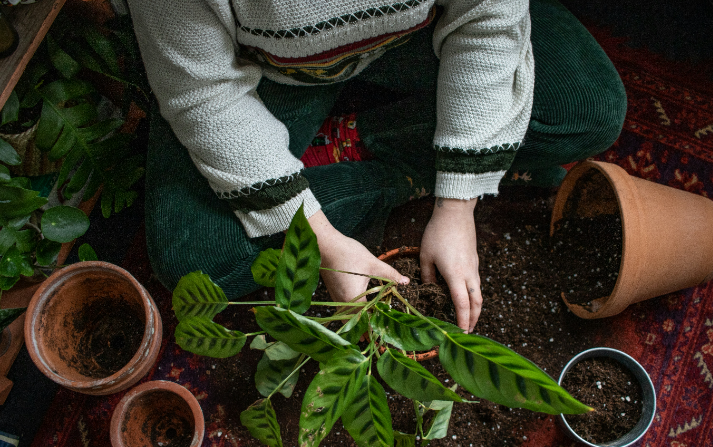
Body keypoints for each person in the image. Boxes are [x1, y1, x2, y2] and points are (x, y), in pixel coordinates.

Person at [126, 0, 626, 333]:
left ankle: (355, 142)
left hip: (413, 38)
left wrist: (457, 204)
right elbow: (201, 92)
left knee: (588, 109)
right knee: (193, 257)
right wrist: (320, 240)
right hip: (265, 70)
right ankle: (390, 156)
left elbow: (487, 20)